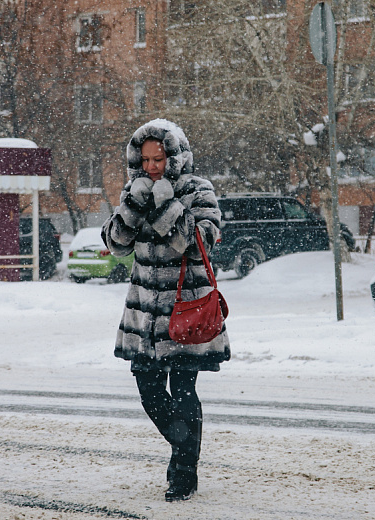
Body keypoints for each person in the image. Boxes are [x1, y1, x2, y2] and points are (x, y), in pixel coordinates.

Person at [102, 119, 230, 502]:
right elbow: (116, 245)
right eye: (145, 160)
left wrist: (165, 204)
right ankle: (184, 449)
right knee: (149, 390)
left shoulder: (198, 190)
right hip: (145, 315)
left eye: (159, 158)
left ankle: (183, 473)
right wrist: (133, 204)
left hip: (187, 308)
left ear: (175, 156)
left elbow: (197, 244)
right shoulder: (134, 190)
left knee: (184, 387)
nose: (152, 166)